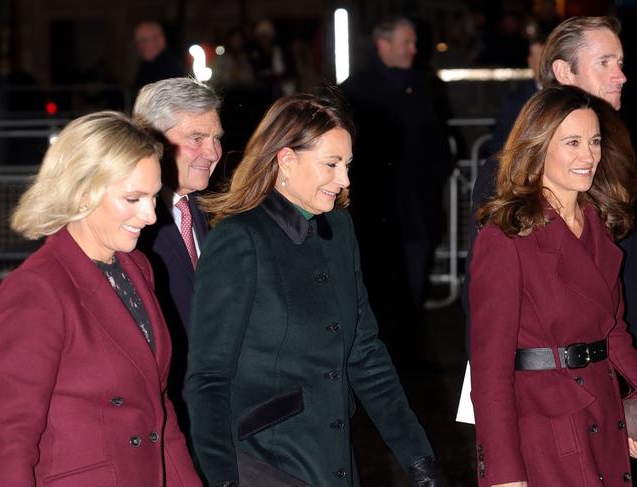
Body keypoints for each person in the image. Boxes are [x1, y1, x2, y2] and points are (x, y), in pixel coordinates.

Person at [185, 91, 439, 487]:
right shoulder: (239, 240)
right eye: (332, 164)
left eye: (348, 164)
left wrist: (418, 459)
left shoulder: (338, 230)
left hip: (333, 461)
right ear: (286, 160)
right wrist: (223, 481)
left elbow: (365, 353)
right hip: (264, 464)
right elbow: (208, 379)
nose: (345, 180)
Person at [0, 111, 202, 486]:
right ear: (84, 193)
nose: (151, 216)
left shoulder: (137, 267)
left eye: (154, 197)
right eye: (133, 198)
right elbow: (11, 439)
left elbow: (158, 406)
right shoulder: (37, 289)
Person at [470, 85, 637, 486]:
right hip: (545, 429)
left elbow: (614, 332)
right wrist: (503, 472)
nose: (589, 156)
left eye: (595, 141)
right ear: (539, 147)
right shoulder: (506, 236)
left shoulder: (597, 224)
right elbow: (489, 371)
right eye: (573, 142)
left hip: (604, 414)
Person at [466, 16, 628, 341]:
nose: (620, 76)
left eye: (620, 62)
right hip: (557, 376)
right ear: (564, 72)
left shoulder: (621, 153)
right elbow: (488, 303)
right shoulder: (510, 170)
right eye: (604, 62)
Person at [341, 17, 452, 363]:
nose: (413, 49)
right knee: (374, 280)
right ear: (383, 45)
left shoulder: (425, 84)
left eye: (414, 41)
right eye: (406, 42)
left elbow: (439, 139)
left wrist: (439, 170)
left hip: (419, 204)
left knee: (416, 277)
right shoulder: (356, 89)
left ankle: (410, 347)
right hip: (376, 209)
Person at [134, 77, 223, 431]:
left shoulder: (207, 208)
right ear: (153, 140)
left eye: (216, 138)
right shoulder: (131, 225)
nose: (213, 153)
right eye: (197, 139)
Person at [133, 21, 184, 94]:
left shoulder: (169, 67)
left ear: (160, 40)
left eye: (144, 40)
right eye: (138, 42)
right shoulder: (147, 65)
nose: (140, 46)